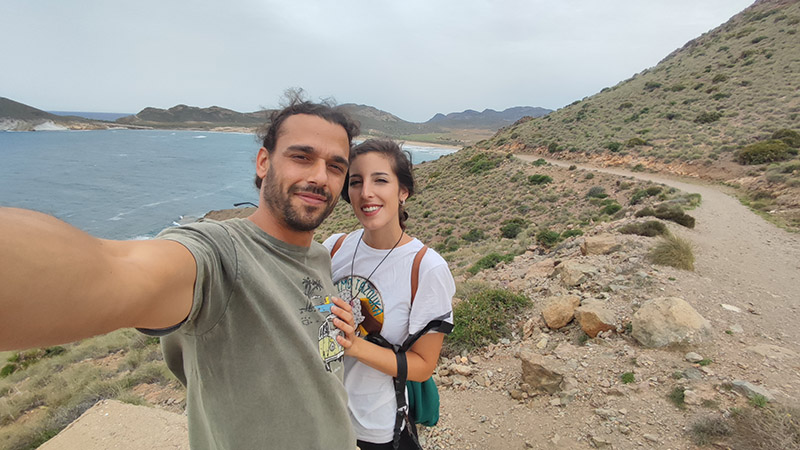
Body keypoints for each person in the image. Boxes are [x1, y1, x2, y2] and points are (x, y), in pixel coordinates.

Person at [0, 98, 362, 450]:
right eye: (301, 157)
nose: (319, 177)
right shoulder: (219, 252)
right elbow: (114, 269)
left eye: (335, 167)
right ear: (264, 162)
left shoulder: (318, 256)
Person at [322, 139, 455, 450]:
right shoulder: (335, 247)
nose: (366, 192)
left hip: (377, 429)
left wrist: (354, 345)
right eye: (355, 182)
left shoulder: (426, 268)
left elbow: (423, 365)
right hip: (325, 417)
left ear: (403, 192)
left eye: (380, 180)